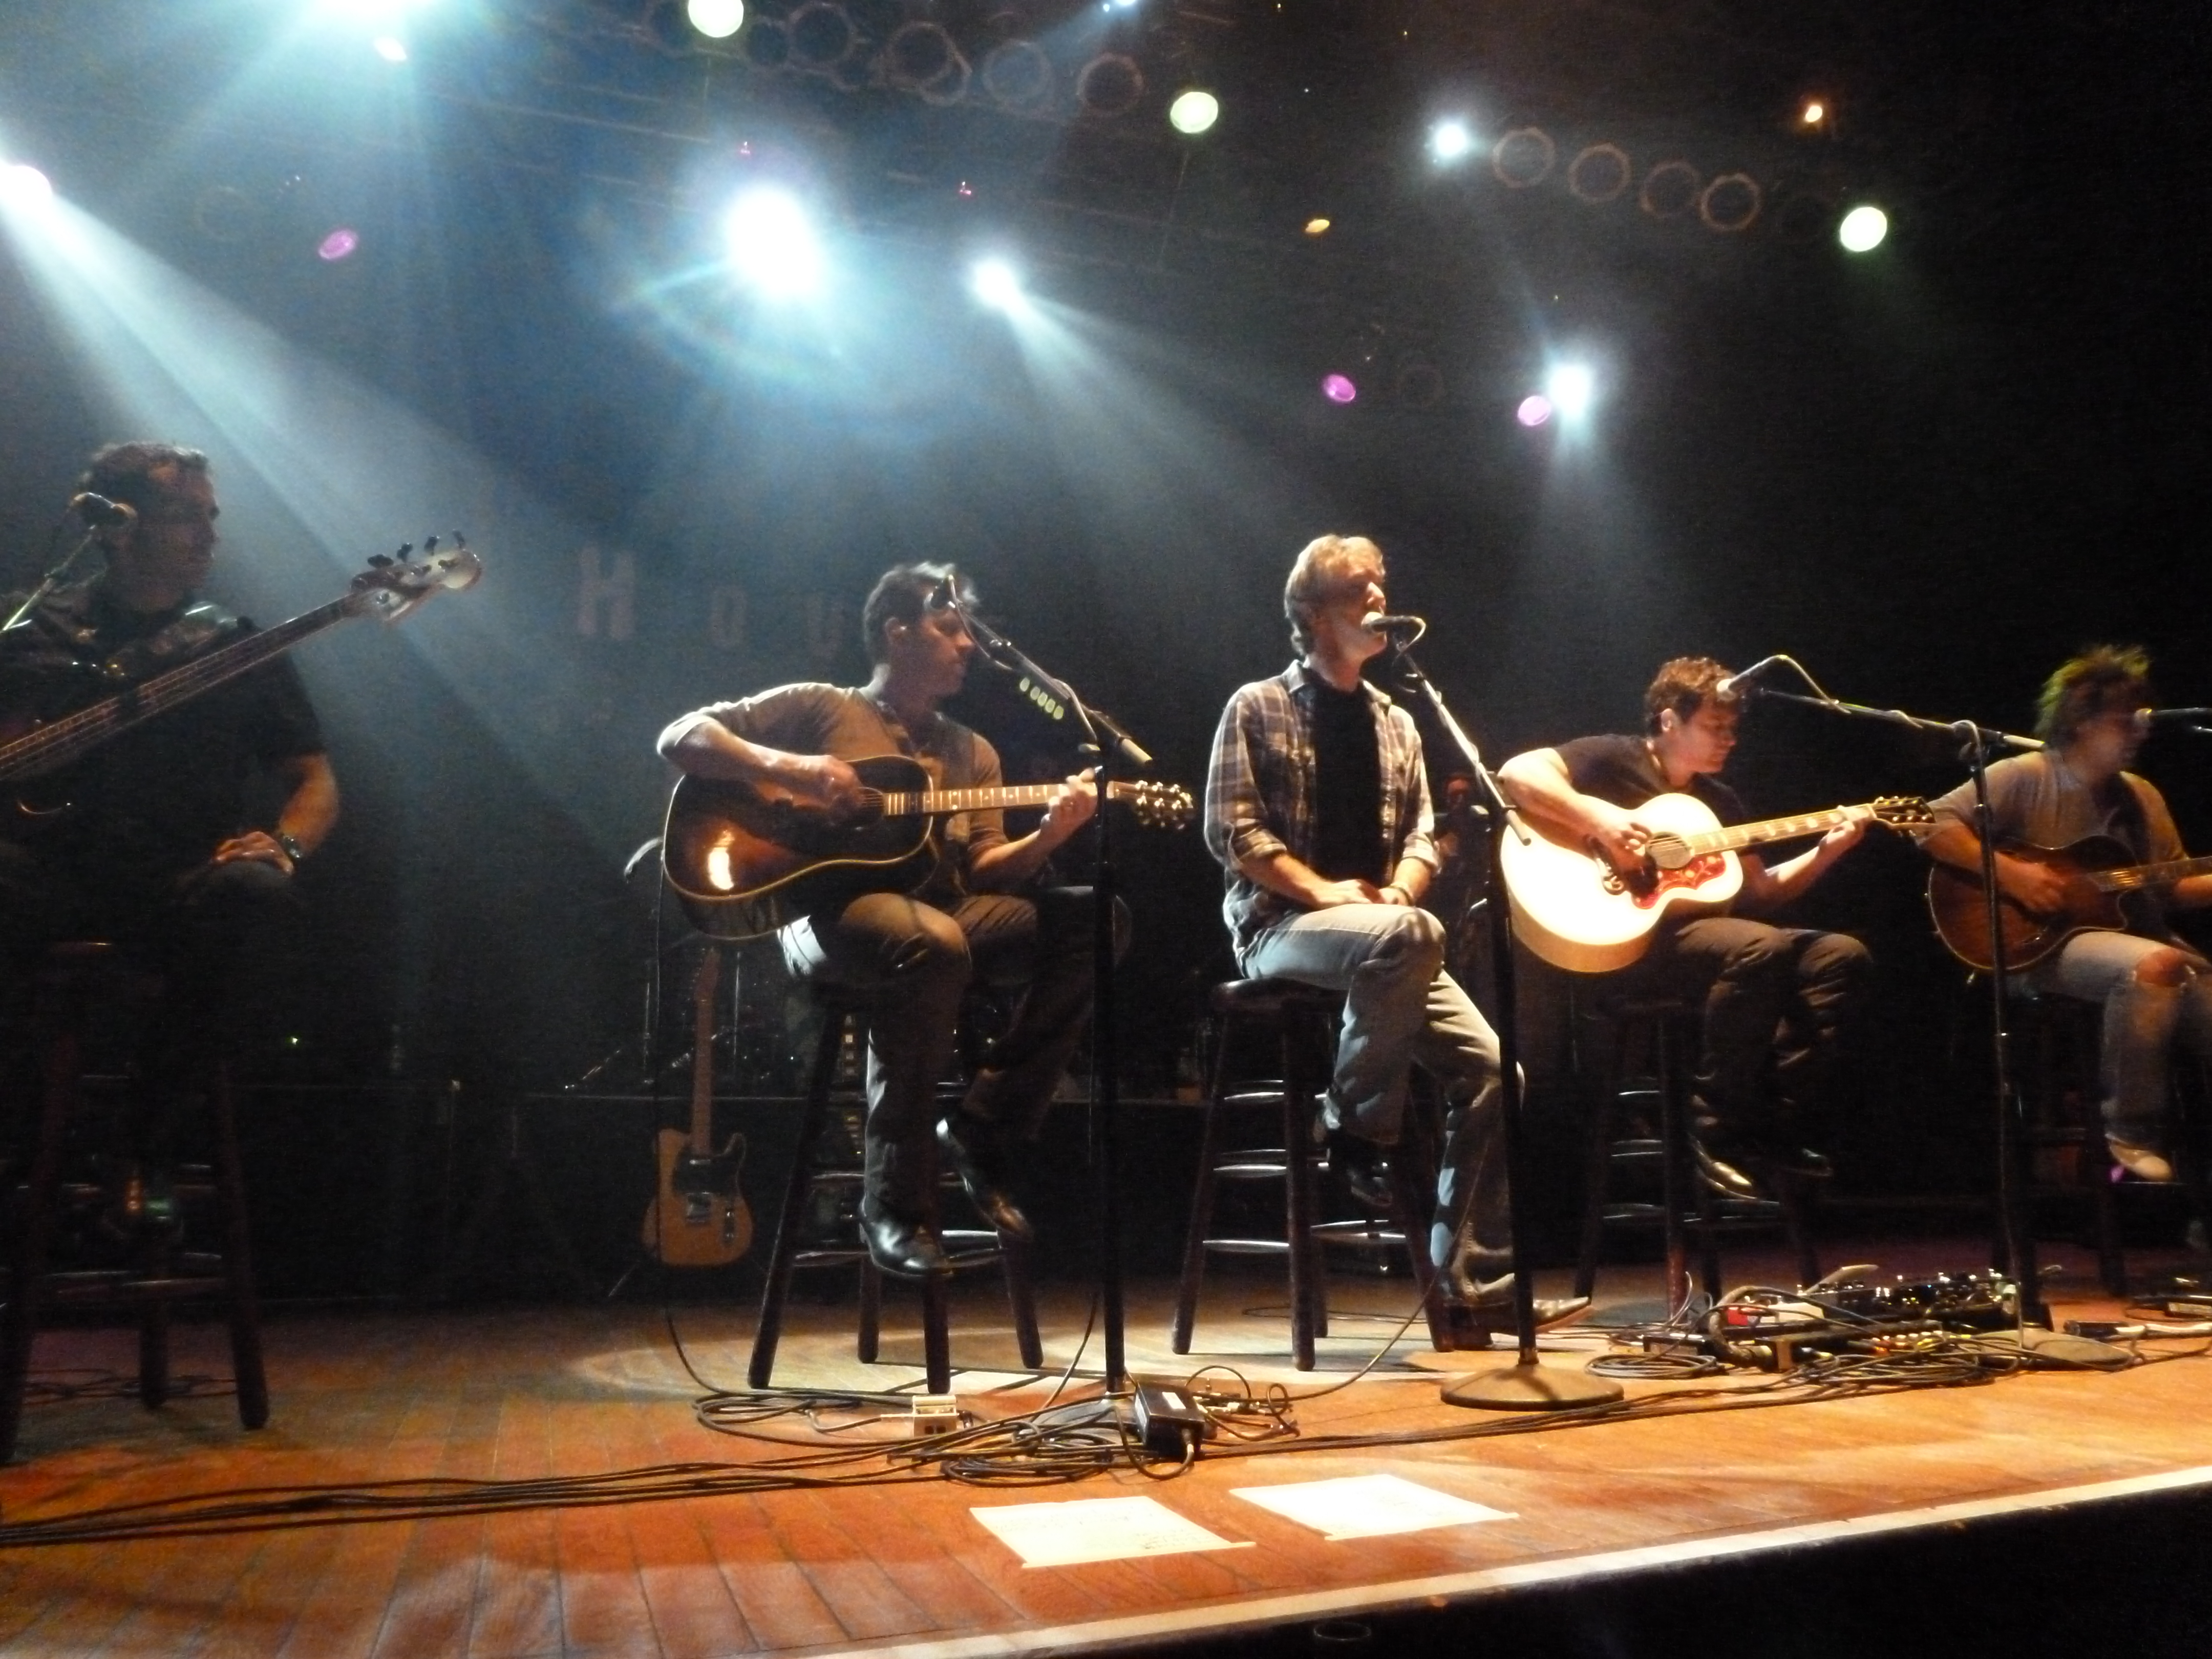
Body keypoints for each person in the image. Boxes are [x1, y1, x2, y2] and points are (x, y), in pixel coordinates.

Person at [655, 563, 1110, 1278]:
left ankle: (985, 1126)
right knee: (933, 945)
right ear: (898, 633)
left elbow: (986, 870)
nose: (967, 645)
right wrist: (798, 770)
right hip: (826, 915)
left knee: (1093, 920)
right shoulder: (823, 708)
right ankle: (894, 1204)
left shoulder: (973, 751)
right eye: (949, 628)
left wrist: (1050, 837)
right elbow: (681, 736)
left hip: (940, 914)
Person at [1204, 533, 1584, 1336]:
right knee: (1407, 936)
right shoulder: (1257, 706)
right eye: (1357, 588)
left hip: (1388, 936)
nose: (1378, 597)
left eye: (1380, 583)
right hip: (1283, 928)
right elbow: (1232, 830)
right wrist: (1325, 892)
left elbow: (1420, 838)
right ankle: (1352, 1127)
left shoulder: (1398, 721)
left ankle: (1474, 1286)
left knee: (1496, 1074)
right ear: (1314, 613)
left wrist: (1401, 893)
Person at [0, 442, 339, 1173]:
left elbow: (314, 778)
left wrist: (284, 846)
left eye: (211, 516)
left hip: (174, 879)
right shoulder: (26, 631)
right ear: (117, 526)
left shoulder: (233, 645)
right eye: (187, 515)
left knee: (255, 896)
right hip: (41, 873)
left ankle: (143, 1149)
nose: (209, 535)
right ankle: (19, 1137)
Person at [1497, 657, 1870, 1197]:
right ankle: (1713, 1129)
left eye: (1733, 728)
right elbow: (1518, 774)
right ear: (1670, 720)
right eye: (1715, 726)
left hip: (1703, 948)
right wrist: (1600, 819)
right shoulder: (1611, 757)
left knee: (1840, 955)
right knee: (1760, 948)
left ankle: (1771, 1121)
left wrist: (1826, 852)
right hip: (1621, 943)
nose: (1730, 740)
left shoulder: (1718, 803)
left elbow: (1760, 893)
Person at [1923, 646, 2212, 1182]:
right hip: (2036, 949)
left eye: (2144, 720)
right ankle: (2128, 1133)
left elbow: (2170, 888)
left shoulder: (2141, 796)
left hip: (2124, 937)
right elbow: (1931, 822)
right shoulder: (2026, 774)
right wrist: (2014, 876)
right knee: (2158, 965)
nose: (2141, 731)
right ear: (2081, 721)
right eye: (2126, 720)